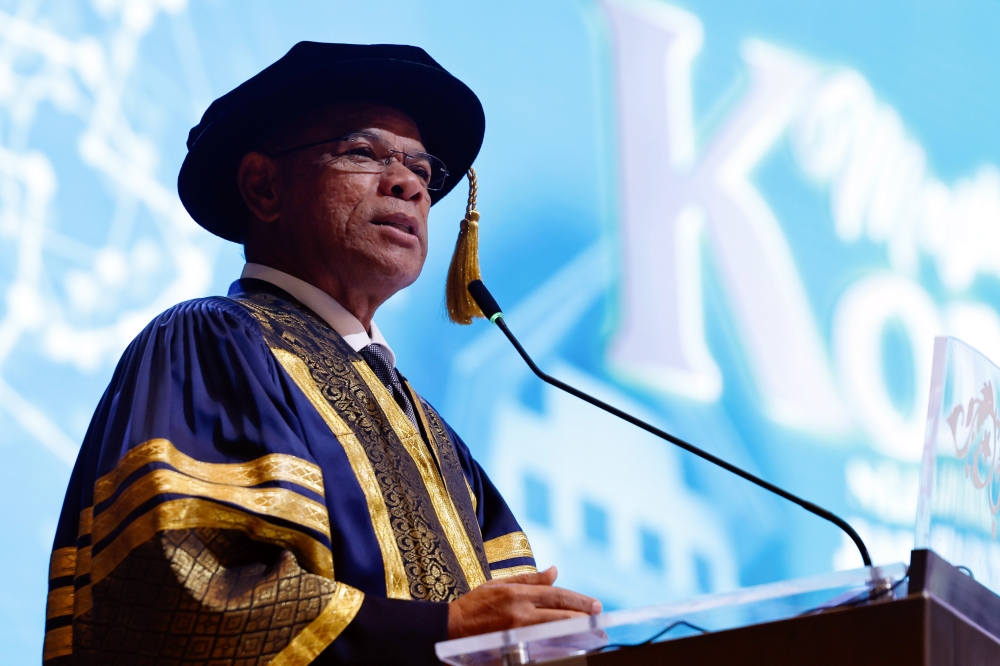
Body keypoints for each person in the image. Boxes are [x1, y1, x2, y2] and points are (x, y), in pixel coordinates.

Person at [42, 42, 600, 665]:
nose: (408, 185)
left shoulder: (432, 433)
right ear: (264, 186)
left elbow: (509, 627)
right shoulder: (211, 343)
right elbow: (175, 598)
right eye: (363, 153)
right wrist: (436, 631)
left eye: (422, 169)